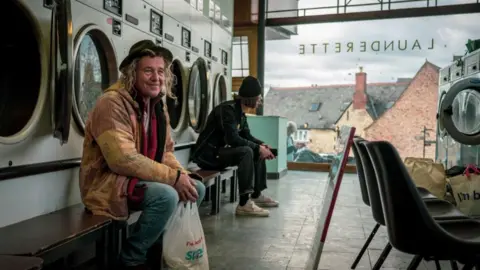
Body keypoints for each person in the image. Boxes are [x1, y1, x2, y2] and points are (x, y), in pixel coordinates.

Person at [79, 40, 206, 270]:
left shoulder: (158, 104)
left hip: (136, 179)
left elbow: (165, 151)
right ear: (132, 73)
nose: (156, 77)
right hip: (107, 184)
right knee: (166, 196)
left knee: (196, 189)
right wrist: (174, 179)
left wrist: (182, 175)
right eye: (148, 71)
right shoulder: (112, 103)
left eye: (160, 71)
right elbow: (122, 160)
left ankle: (156, 250)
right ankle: (131, 258)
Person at [192, 76, 278, 217]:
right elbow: (232, 139)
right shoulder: (227, 110)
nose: (260, 101)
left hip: (220, 152)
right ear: (250, 98)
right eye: (258, 98)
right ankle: (244, 204)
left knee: (255, 149)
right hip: (207, 156)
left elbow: (247, 136)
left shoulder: (240, 112)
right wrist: (257, 148)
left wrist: (261, 145)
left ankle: (256, 195)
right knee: (247, 151)